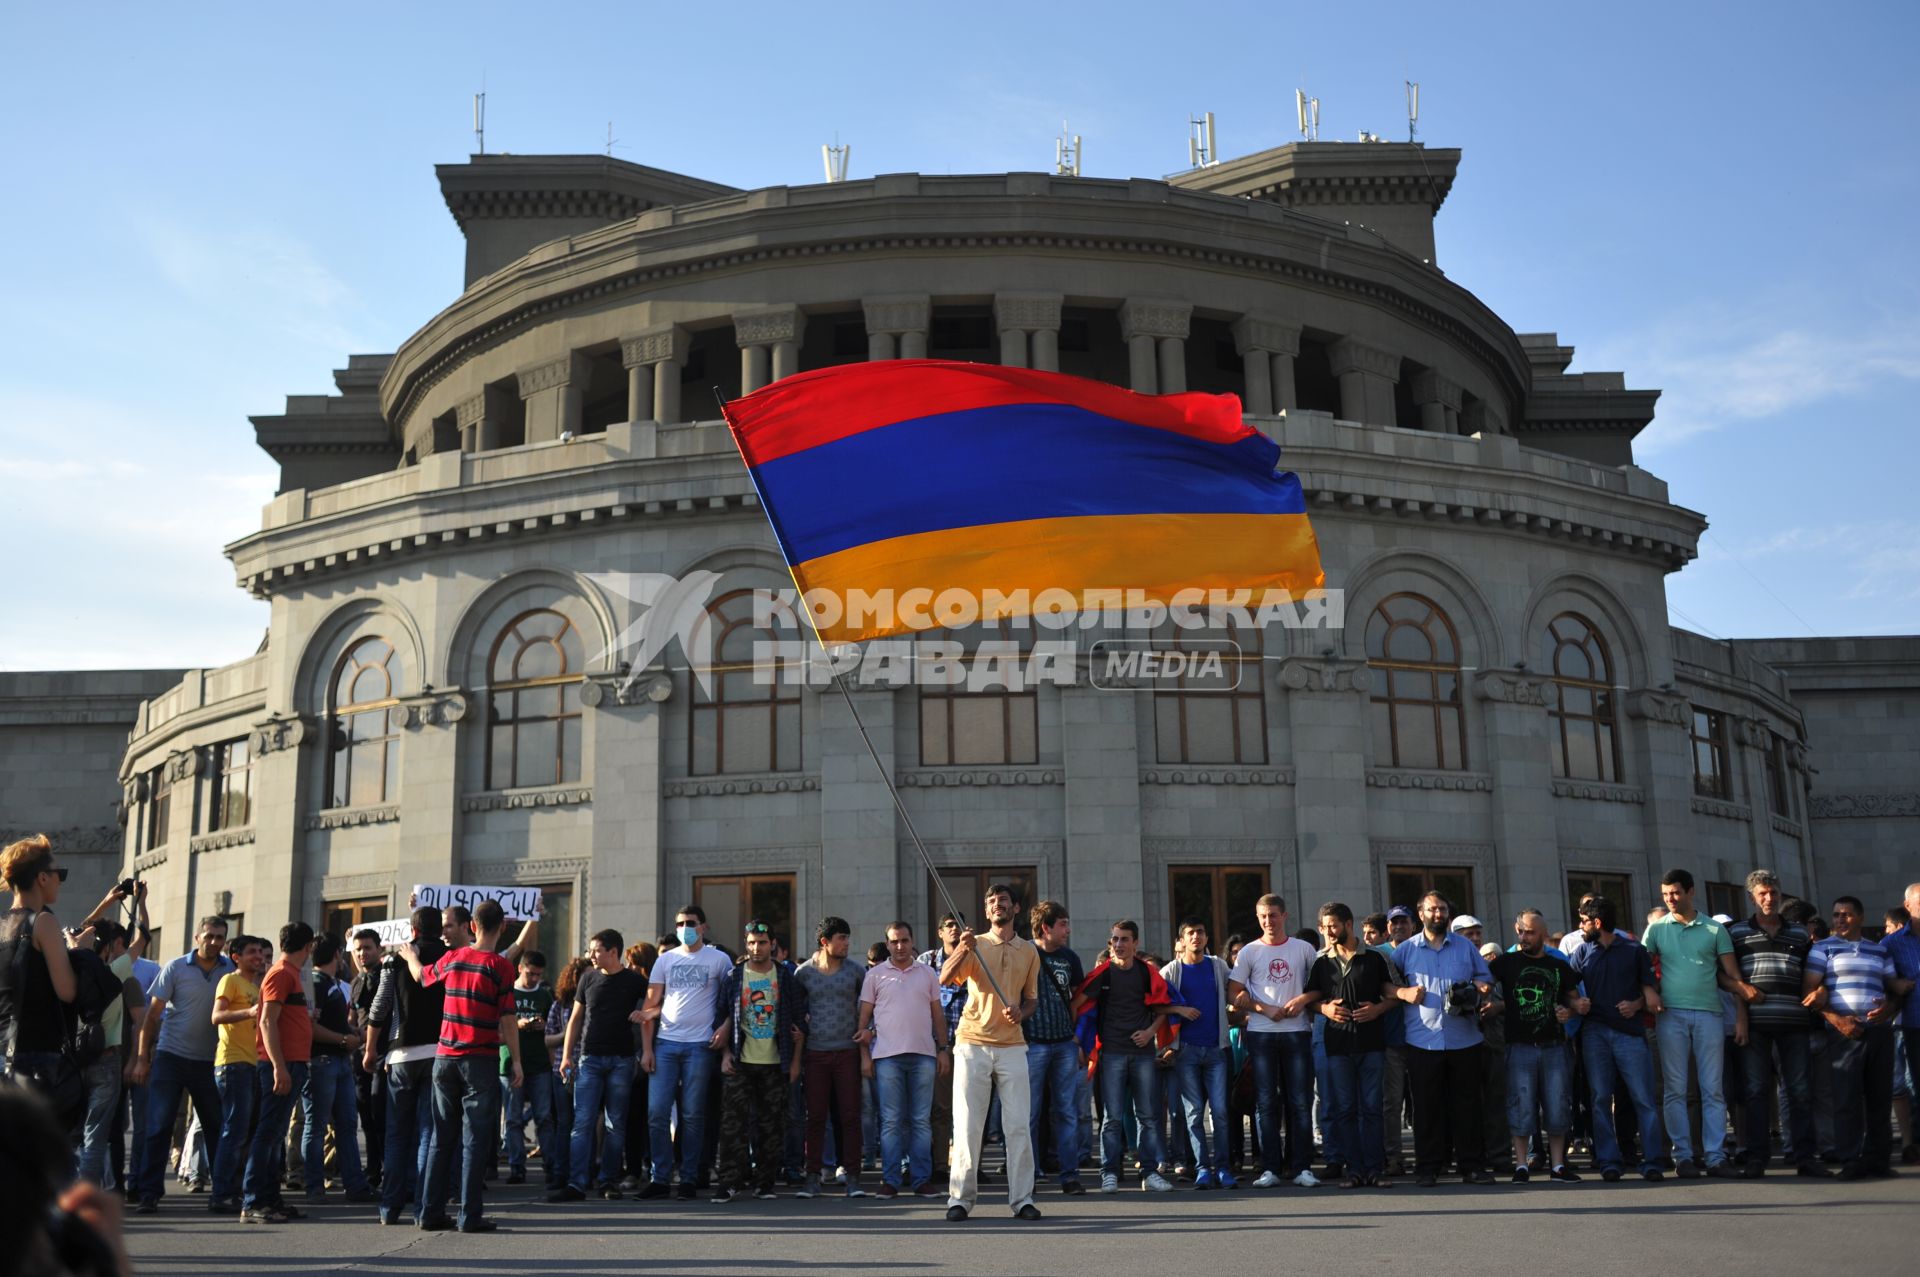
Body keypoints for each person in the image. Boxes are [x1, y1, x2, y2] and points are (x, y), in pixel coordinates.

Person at [401, 898, 522, 1233]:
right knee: (474, 1141)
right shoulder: (501, 967)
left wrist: (411, 955)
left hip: (445, 1059)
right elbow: (509, 1019)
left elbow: (421, 977)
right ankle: (469, 1215)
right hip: (480, 1061)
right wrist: (516, 1061)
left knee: (441, 1137)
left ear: (471, 926)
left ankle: (429, 1213)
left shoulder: (452, 958)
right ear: (503, 927)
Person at [940, 883, 1042, 1221]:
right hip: (972, 1043)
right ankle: (960, 1200)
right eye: (991, 902)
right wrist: (961, 949)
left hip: (1013, 1045)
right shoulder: (976, 944)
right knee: (968, 1124)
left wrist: (1021, 1013)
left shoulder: (1029, 950)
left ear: (1015, 908)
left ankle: (1022, 1199)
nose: (997, 905)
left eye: (1003, 901)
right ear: (986, 912)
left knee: (1017, 1126)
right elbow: (944, 978)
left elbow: (1031, 1000)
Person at [1721, 869, 1825, 1178]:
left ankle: (1805, 1156)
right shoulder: (1736, 932)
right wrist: (1743, 990)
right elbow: (1722, 975)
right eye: (1763, 893)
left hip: (1794, 1021)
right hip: (1755, 1024)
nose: (1769, 898)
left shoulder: (1798, 933)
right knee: (1755, 1091)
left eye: (1774, 893)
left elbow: (1815, 972)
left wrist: (1820, 991)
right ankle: (1756, 1158)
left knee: (1800, 1090)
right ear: (1751, 897)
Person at [129, 914, 233, 1213]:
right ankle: (149, 1193)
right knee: (158, 1127)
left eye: (220, 937)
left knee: (216, 1126)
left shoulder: (229, 969)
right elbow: (151, 1016)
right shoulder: (175, 967)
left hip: (208, 1061)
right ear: (197, 938)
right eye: (209, 935)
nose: (214, 942)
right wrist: (141, 1058)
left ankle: (221, 1193)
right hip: (170, 1058)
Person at [1641, 869, 1742, 1178]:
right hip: (1670, 1016)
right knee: (1675, 1089)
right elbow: (1641, 969)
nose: (1670, 899)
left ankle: (1715, 1156)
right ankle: (1683, 1156)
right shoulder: (1656, 930)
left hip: (1710, 1014)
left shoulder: (1714, 930)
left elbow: (1733, 977)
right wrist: (1648, 992)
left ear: (1690, 892)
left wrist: (1742, 1018)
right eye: (1666, 894)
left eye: (1675, 893)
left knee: (1712, 1089)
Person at [1392, 892, 1495, 1186]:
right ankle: (1428, 1167)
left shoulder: (1464, 947)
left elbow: (1486, 978)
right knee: (1426, 1108)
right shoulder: (1406, 950)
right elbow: (1386, 985)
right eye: (1432, 910)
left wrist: (1480, 986)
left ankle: (1471, 1166)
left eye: (1443, 909)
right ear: (1420, 913)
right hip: (1422, 1041)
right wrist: (1403, 993)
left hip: (1465, 1038)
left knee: (1467, 1107)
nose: (1438, 914)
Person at [1073, 919, 1183, 1194]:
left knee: (1147, 1116)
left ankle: (1149, 1172)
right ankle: (1109, 1173)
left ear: (1135, 943)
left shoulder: (1148, 974)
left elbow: (1163, 1008)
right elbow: (1075, 1004)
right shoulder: (1102, 974)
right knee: (1111, 1118)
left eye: (1124, 939)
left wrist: (1149, 1033)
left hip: (1143, 1054)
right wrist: (1076, 1041)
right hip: (1111, 1054)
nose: (1118, 945)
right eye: (1114, 939)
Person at [1808, 895, 1911, 1180]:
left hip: (1879, 1030)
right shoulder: (1822, 949)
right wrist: (1837, 1020)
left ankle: (1878, 1159)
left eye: (1847, 915)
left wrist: (1889, 1008)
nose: (1841, 919)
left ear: (1861, 918)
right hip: (1844, 1032)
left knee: (1880, 1097)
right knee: (1846, 1098)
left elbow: (1893, 987)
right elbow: (1810, 992)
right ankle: (1850, 1159)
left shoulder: (1878, 950)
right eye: (1837, 914)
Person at [1227, 894, 1322, 1188]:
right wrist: (1263, 1008)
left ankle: (1302, 1166)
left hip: (1296, 1032)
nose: (1269, 921)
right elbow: (1234, 993)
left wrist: (1304, 999)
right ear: (1258, 918)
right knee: (1265, 1102)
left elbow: (1322, 987)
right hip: (1261, 1033)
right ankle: (1270, 1167)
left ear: (1285, 916)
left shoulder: (1304, 949)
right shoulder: (1249, 952)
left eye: (1273, 915)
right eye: (1263, 916)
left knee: (1299, 1101)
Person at [638, 904, 732, 1200]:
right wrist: (647, 1050)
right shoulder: (664, 960)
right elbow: (649, 1007)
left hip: (700, 1047)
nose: (684, 928)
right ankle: (660, 1179)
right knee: (656, 1113)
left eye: (690, 923)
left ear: (703, 927)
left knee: (693, 1115)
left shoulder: (719, 959)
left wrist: (726, 1029)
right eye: (679, 923)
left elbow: (732, 1001)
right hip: (665, 1044)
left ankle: (689, 1178)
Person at [1570, 896, 1664, 1181]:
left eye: (1584, 921)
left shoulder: (1635, 950)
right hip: (1594, 1034)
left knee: (1643, 1099)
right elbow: (1566, 987)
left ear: (1597, 923)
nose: (1580, 926)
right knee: (1599, 1098)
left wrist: (1635, 1005)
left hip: (1630, 1035)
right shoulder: (1581, 952)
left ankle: (1653, 1162)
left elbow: (1652, 995)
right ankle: (1609, 1161)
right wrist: (1576, 1003)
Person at [712, 919, 807, 1201]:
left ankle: (765, 1182)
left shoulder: (785, 976)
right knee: (733, 1127)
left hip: (776, 1063)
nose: (756, 948)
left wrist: (795, 1063)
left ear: (772, 944)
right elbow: (721, 1018)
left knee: (771, 1125)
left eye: (762, 943)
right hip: (740, 1062)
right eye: (751, 943)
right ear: (746, 944)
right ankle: (729, 1182)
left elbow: (799, 1023)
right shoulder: (734, 976)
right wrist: (725, 1054)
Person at [1489, 910, 1585, 1184]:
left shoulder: (1558, 966)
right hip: (1519, 1046)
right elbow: (1481, 980)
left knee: (1557, 1106)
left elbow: (1576, 1002)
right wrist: (1484, 994)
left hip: (1554, 1046)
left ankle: (1558, 1166)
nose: (1523, 937)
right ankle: (1521, 1165)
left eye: (1530, 932)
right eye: (1520, 931)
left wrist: (1573, 1011)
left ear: (1543, 934)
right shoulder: (1505, 963)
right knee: (1520, 1105)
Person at [1308, 902, 1398, 1189]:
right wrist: (1325, 1010)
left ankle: (1375, 1169)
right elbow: (1310, 998)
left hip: (1372, 1044)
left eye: (1333, 925)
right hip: (1337, 1045)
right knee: (1345, 1108)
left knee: (1371, 1108)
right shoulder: (1320, 961)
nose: (1329, 931)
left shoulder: (1376, 957)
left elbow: (1395, 994)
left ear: (1349, 925)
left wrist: (1377, 1010)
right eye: (1325, 926)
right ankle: (1354, 1171)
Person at [363, 906, 444, 1227]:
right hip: (439, 1053)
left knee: (397, 1136)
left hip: (400, 1056)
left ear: (412, 930)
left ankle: (390, 1207)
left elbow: (380, 1006)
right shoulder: (450, 957)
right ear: (440, 930)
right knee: (428, 1133)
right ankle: (424, 1210)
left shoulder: (394, 961)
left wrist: (371, 1049)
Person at [554, 929, 648, 1201]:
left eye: (596, 950)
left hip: (622, 1060)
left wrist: (647, 1016)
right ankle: (576, 1183)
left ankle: (609, 1181)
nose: (591, 955)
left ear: (613, 952)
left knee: (615, 1124)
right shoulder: (587, 978)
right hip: (590, 1060)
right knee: (581, 1123)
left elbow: (659, 1006)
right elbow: (575, 1019)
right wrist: (567, 1055)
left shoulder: (634, 981)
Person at [855, 920, 945, 1198]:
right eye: (894, 941)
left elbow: (937, 1014)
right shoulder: (875, 976)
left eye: (904, 940)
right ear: (887, 944)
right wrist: (865, 1058)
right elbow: (863, 1021)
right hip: (886, 1058)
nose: (900, 946)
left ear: (912, 941)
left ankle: (921, 1180)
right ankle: (890, 1180)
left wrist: (944, 1049)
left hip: (924, 1056)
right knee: (891, 1121)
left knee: (920, 1121)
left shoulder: (928, 973)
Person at [1, 835, 82, 1128]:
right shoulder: (43, 923)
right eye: (59, 874)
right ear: (43, 878)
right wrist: (77, 953)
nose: (61, 880)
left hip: (4, 1052)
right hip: (37, 1056)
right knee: (43, 1160)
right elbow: (67, 991)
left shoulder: (2, 926)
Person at [240, 921, 316, 1225]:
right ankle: (254, 1201)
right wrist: (279, 1066)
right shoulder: (282, 974)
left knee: (273, 1136)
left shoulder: (289, 974)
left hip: (290, 1064)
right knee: (267, 1134)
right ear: (308, 947)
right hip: (280, 1066)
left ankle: (270, 1200)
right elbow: (267, 1022)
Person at [794, 916, 868, 1198]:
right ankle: (812, 1176)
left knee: (850, 1116)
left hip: (847, 1053)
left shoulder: (856, 972)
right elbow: (795, 1012)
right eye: (841, 938)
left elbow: (870, 1008)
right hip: (815, 1055)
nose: (847, 943)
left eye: (848, 937)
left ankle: (852, 1177)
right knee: (815, 1117)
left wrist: (867, 1036)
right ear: (825, 942)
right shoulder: (803, 973)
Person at [1162, 918, 1236, 1190]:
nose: (1196, 937)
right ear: (1182, 940)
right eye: (1190, 933)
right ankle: (1202, 1168)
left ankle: (1224, 1168)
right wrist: (1178, 1011)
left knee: (1220, 1112)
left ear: (1206, 937)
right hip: (1186, 1051)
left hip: (1217, 1049)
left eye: (1201, 932)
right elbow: (1155, 1006)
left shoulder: (1218, 966)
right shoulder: (1171, 971)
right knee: (1193, 1114)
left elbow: (1235, 994)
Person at [302, 932, 372, 1204]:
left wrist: (355, 1033)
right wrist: (344, 1039)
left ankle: (355, 1185)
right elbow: (310, 1028)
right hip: (321, 1063)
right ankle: (314, 1186)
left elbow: (334, 1023)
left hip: (341, 1062)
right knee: (316, 1125)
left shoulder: (332, 983)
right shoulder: (312, 983)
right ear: (336, 956)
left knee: (346, 1125)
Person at [1023, 901, 1086, 1195]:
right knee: (1030, 1113)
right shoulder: (1024, 955)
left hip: (1063, 1045)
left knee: (1067, 1112)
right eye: (1062, 924)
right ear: (1046, 927)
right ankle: (1030, 1174)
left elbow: (1078, 997)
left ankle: (1069, 1175)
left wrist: (1075, 1035)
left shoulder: (1069, 958)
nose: (1068, 930)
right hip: (1031, 1044)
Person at [207, 935, 268, 1213]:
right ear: (236, 957)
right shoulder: (230, 981)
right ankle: (221, 1195)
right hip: (232, 1064)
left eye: (260, 952)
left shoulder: (255, 985)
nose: (259, 956)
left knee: (243, 1132)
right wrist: (250, 1011)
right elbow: (216, 1016)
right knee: (234, 1132)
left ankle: (235, 1191)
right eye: (252, 952)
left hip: (252, 1064)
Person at [916, 912, 968, 1185]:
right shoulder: (926, 961)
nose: (954, 931)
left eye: (959, 926)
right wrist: (940, 1047)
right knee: (939, 1108)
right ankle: (939, 1165)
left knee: (970, 1109)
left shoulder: (975, 956)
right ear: (940, 932)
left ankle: (970, 1166)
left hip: (968, 1043)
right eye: (949, 926)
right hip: (936, 1045)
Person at [502, 949, 556, 1188]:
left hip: (538, 1064)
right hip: (510, 1063)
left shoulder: (545, 996)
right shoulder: (508, 993)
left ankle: (550, 1165)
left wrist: (542, 1026)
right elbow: (498, 1030)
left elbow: (553, 1029)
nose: (534, 978)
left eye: (538, 974)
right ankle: (516, 1166)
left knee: (544, 1117)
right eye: (531, 973)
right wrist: (518, 1025)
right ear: (520, 968)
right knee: (513, 1118)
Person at [347, 929, 386, 1189]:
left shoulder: (387, 977)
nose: (362, 953)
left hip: (381, 1056)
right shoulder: (356, 982)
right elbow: (352, 1015)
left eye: (367, 948)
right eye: (358, 949)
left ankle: (388, 1169)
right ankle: (373, 1170)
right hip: (358, 1059)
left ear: (379, 949)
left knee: (382, 1115)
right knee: (368, 1119)